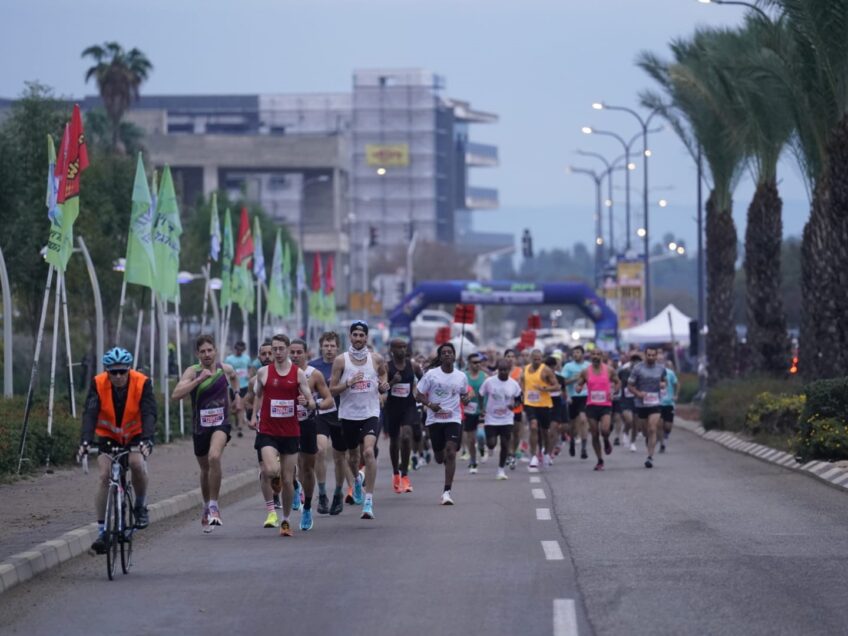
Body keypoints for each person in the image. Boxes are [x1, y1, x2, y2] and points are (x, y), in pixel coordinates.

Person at [80, 347, 155, 554]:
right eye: (114, 372)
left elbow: (149, 413)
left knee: (136, 463)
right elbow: (90, 413)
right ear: (107, 371)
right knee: (104, 476)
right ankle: (103, 531)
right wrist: (85, 441)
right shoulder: (98, 383)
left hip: (136, 435)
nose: (119, 376)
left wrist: (147, 440)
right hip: (109, 436)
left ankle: (140, 507)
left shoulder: (142, 382)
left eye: (123, 371)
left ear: (129, 369)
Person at [172, 334, 243, 532]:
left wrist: (237, 395)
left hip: (221, 423)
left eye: (209, 350)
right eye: (202, 351)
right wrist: (198, 380)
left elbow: (235, 377)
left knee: (214, 457)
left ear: (215, 351)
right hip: (200, 428)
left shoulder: (224, 369)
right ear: (197, 354)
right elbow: (176, 395)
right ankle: (206, 506)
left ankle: (214, 506)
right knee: (205, 469)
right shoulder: (192, 372)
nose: (206, 354)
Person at [251, 333, 315, 536]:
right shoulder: (263, 373)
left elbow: (311, 401)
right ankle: (274, 480)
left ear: (287, 349)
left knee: (288, 480)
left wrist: (307, 402)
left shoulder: (297, 374)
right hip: (268, 430)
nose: (277, 353)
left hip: (290, 432)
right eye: (274, 349)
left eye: (280, 349)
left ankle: (286, 520)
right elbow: (258, 394)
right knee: (270, 471)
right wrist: (254, 415)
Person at [328, 320, 389, 520]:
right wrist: (348, 383)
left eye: (362, 335)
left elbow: (383, 374)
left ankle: (369, 500)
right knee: (352, 458)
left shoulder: (376, 358)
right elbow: (332, 389)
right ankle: (355, 482)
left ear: (366, 337)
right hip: (348, 415)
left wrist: (383, 387)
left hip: (370, 412)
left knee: (369, 452)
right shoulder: (341, 361)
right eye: (355, 335)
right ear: (350, 336)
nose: (358, 339)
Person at [414, 342, 471, 505]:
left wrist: (466, 399)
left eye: (450, 352)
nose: (447, 354)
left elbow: (463, 395)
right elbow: (418, 394)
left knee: (451, 451)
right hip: (434, 419)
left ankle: (447, 492)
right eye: (444, 352)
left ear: (454, 356)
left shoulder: (461, 376)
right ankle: (441, 458)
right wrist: (430, 405)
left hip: (453, 418)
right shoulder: (431, 374)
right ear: (440, 357)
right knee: (440, 457)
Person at [289, 338, 335, 531]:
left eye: (299, 352)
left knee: (307, 467)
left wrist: (313, 405)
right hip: (285, 425)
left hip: (307, 423)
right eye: (293, 352)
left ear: (306, 353)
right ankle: (294, 485)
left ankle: (307, 507)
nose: (295, 355)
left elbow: (329, 400)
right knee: (287, 465)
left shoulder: (313, 375)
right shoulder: (281, 373)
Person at [309, 331, 350, 515]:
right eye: (326, 345)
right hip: (322, 414)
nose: (329, 349)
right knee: (320, 450)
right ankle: (323, 493)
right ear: (321, 347)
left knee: (340, 457)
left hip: (342, 414)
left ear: (338, 347)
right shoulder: (313, 367)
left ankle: (338, 493)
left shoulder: (344, 364)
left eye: (332, 345)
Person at [244, 340, 283, 528]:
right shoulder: (255, 380)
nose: (267, 357)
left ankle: (284, 485)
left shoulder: (287, 374)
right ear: (258, 357)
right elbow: (248, 400)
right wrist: (252, 416)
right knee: (266, 469)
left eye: (270, 353)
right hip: (264, 429)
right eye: (264, 354)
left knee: (283, 470)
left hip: (285, 428)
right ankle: (271, 511)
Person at [576, 347, 620, 471]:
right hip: (591, 405)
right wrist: (578, 387)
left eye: (598, 354)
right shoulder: (585, 371)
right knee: (594, 434)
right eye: (593, 354)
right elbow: (579, 384)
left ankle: (606, 440)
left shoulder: (609, 370)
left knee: (605, 430)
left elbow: (618, 382)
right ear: (590, 356)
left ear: (602, 356)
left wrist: (613, 391)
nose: (595, 356)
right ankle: (600, 460)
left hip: (605, 404)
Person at [385, 338, 421, 492]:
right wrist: (392, 382)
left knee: (406, 436)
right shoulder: (386, 367)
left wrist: (419, 393)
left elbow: (425, 379)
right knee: (394, 440)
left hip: (408, 406)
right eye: (399, 347)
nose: (403, 350)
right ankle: (395, 473)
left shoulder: (412, 366)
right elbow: (381, 388)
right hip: (392, 407)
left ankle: (405, 474)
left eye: (405, 347)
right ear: (392, 350)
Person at [478, 359, 522, 480]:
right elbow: (481, 394)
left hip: (507, 419)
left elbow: (519, 398)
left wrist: (515, 405)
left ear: (509, 370)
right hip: (491, 418)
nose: (502, 372)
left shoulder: (513, 384)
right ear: (497, 370)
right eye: (500, 370)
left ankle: (501, 470)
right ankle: (488, 448)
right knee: (491, 444)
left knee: (505, 444)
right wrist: (481, 408)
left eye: (505, 370)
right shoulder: (490, 382)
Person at [627, 346, 667, 469]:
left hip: (655, 402)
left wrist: (663, 384)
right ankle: (649, 446)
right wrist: (638, 393)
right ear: (645, 355)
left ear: (656, 356)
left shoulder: (661, 368)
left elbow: (665, 381)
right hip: (641, 403)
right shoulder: (637, 368)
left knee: (652, 428)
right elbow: (629, 385)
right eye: (648, 355)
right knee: (645, 432)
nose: (650, 357)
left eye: (653, 355)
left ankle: (650, 457)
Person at [520, 349, 560, 470]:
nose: (537, 361)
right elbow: (522, 381)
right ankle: (533, 456)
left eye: (539, 359)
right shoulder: (525, 369)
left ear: (542, 359)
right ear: (530, 358)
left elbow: (557, 386)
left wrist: (545, 389)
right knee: (533, 426)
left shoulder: (546, 370)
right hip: (530, 403)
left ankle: (546, 453)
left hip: (544, 404)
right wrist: (523, 392)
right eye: (534, 359)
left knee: (544, 432)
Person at [563, 345, 590, 459]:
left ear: (582, 354)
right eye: (574, 353)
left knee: (583, 420)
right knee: (572, 425)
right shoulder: (568, 366)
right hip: (572, 397)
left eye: (578, 352)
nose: (575, 354)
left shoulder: (588, 366)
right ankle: (572, 442)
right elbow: (563, 382)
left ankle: (584, 447)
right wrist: (575, 378)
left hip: (585, 396)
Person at [463, 352, 487, 474]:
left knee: (481, 436)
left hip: (482, 410)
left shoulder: (485, 376)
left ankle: (482, 449)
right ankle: (473, 460)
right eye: (474, 362)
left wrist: (486, 408)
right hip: (468, 411)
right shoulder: (463, 376)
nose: (477, 365)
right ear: (469, 363)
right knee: (471, 439)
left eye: (479, 362)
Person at [224, 341, 252, 438]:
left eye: (241, 350)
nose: (239, 351)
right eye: (238, 349)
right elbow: (226, 372)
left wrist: (249, 374)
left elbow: (249, 367)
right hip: (232, 386)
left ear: (243, 350)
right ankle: (237, 422)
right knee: (234, 407)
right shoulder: (229, 359)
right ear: (235, 349)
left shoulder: (247, 358)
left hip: (244, 385)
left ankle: (240, 427)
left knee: (241, 406)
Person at [660, 357, 679, 453]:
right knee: (659, 424)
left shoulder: (670, 373)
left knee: (668, 426)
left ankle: (665, 437)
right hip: (658, 403)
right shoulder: (654, 373)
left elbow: (676, 384)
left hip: (669, 403)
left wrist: (676, 395)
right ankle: (662, 444)